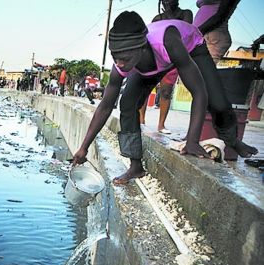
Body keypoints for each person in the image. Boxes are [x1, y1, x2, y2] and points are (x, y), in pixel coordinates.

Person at [72, 11, 257, 185]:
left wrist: (192, 140)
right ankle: (135, 166)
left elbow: (199, 91)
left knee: (217, 101)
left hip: (190, 47)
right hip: (152, 60)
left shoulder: (168, 40)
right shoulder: (123, 61)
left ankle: (233, 140)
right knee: (127, 103)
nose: (120, 64)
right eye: (115, 58)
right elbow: (105, 106)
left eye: (124, 59)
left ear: (141, 47)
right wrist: (84, 147)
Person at [138, 0, 193, 134]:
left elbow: (184, 30)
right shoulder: (158, 18)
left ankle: (161, 125)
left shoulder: (186, 14)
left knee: (166, 92)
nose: (168, 1)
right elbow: (150, 35)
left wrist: (168, 14)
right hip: (157, 57)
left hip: (174, 59)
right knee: (146, 90)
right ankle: (141, 120)